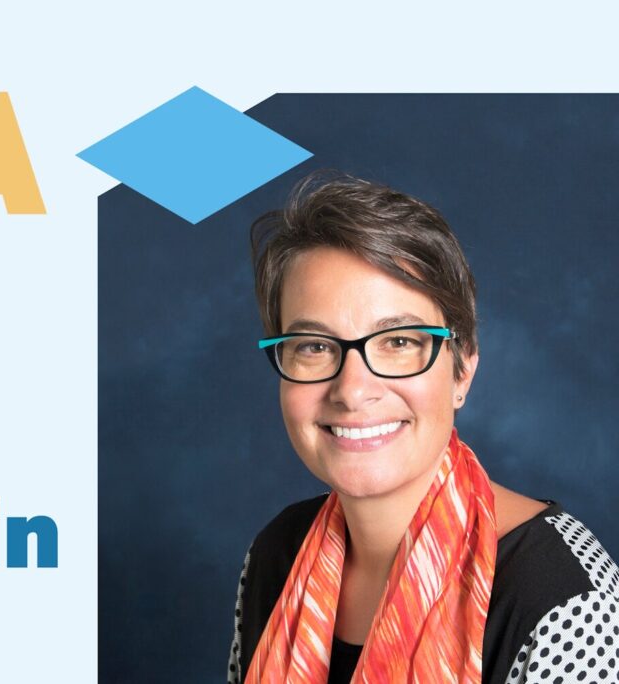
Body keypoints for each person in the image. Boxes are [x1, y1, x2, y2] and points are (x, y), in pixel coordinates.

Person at [228, 174, 619, 684]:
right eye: (314, 346)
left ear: (463, 370)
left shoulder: (565, 598)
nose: (352, 390)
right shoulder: (275, 556)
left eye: (398, 342)